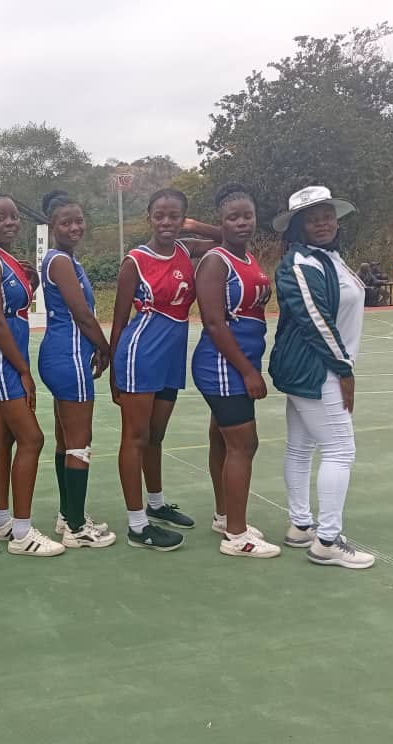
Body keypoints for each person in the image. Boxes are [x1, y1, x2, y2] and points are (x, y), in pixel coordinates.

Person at [108, 189, 221, 551]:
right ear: (149, 217)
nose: (167, 222)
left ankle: (156, 505)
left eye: (175, 216)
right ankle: (137, 526)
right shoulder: (135, 261)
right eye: (160, 215)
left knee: (156, 436)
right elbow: (120, 319)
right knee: (135, 437)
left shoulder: (187, 251)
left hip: (172, 356)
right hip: (141, 353)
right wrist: (113, 370)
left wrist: (195, 225)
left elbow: (225, 236)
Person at [269, 185, 375, 569]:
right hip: (316, 369)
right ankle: (327, 540)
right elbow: (316, 322)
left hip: (315, 367)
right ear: (297, 226)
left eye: (327, 214)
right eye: (312, 218)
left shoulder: (328, 259)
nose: (322, 222)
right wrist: (344, 371)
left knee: (301, 448)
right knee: (340, 449)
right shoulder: (301, 265)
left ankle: (301, 526)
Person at [0, 193, 65, 556]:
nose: (9, 222)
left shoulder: (11, 261)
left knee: (4, 437)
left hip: (8, 350)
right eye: (1, 217)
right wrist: (24, 371)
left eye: (13, 216)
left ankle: (1, 522)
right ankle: (23, 534)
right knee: (32, 438)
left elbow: (14, 307)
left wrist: (32, 283)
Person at [192, 184, 279, 558]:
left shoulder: (246, 257)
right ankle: (238, 536)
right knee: (244, 444)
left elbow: (232, 236)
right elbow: (213, 321)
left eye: (248, 215)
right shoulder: (217, 261)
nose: (242, 222)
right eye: (233, 218)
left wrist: (216, 227)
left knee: (222, 441)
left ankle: (225, 515)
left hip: (240, 359)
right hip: (224, 364)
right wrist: (247, 372)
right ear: (221, 222)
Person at [38, 190, 116, 549]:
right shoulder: (59, 262)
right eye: (65, 222)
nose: (74, 227)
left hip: (60, 354)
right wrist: (105, 346)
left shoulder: (67, 260)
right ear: (52, 226)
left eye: (78, 220)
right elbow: (82, 314)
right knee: (80, 445)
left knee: (67, 442)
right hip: (68, 357)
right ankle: (75, 528)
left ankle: (68, 513)